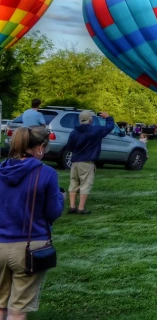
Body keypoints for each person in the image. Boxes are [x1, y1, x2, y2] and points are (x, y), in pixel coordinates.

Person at [0, 126, 64, 319]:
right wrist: (61, 198)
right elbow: (53, 212)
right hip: (30, 247)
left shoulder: (1, 170)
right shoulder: (47, 173)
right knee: (18, 309)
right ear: (40, 148)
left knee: (0, 303)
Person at [66, 111, 113, 215]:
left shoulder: (74, 132)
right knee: (85, 184)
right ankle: (81, 208)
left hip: (75, 161)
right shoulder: (95, 130)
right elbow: (109, 127)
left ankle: (72, 206)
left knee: (73, 183)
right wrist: (108, 117)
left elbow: (69, 146)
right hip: (87, 162)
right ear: (90, 119)